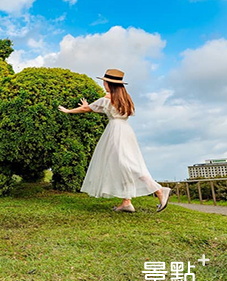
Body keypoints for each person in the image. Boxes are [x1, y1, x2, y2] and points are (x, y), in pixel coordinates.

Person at [57, 69, 171, 213]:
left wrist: (69, 111)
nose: (103, 84)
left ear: (109, 83)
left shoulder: (107, 98)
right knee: (122, 165)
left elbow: (88, 109)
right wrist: (88, 106)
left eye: (104, 81)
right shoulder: (125, 98)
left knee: (127, 164)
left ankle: (159, 190)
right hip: (126, 131)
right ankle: (126, 202)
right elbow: (96, 108)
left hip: (115, 132)